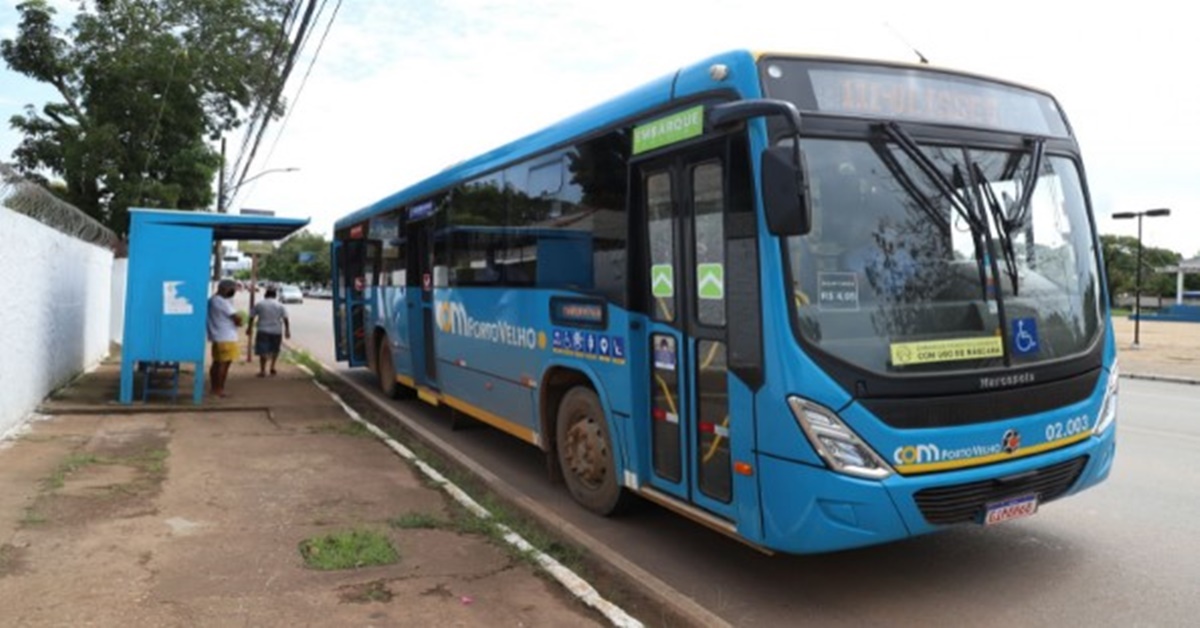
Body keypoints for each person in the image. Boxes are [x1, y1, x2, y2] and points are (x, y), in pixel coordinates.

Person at [206, 278, 243, 397]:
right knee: (224, 365)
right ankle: (219, 389)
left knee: (216, 363)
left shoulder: (212, 300)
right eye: (232, 289)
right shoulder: (222, 302)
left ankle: (214, 388)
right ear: (224, 289)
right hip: (227, 337)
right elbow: (236, 318)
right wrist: (240, 321)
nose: (234, 292)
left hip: (217, 336)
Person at [249, 286, 291, 377]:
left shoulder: (259, 304)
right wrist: (287, 331)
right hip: (276, 331)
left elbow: (252, 317)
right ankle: (272, 367)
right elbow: (285, 319)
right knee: (275, 349)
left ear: (265, 295)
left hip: (262, 330)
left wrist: (249, 328)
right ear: (275, 295)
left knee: (263, 350)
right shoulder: (280, 305)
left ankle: (263, 370)